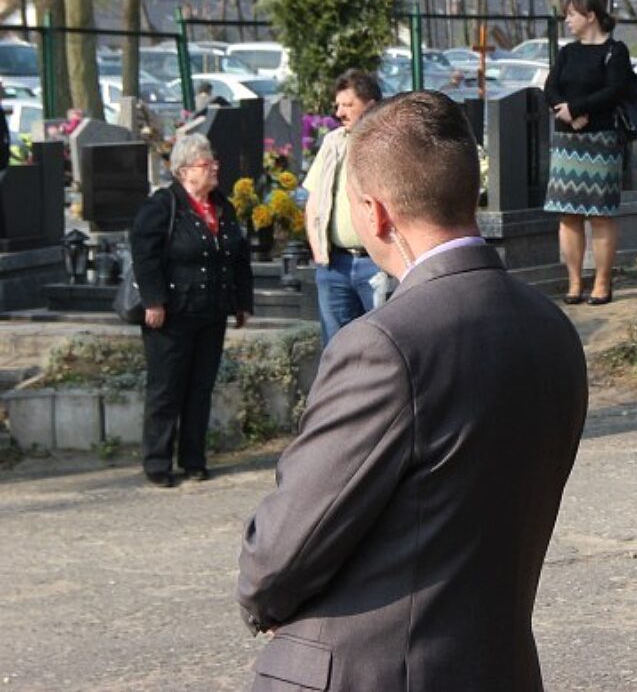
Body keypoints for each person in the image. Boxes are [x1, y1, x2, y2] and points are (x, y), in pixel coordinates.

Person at [237, 91, 588, 690]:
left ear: (374, 213)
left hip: (372, 670)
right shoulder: (552, 328)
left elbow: (280, 553)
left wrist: (264, 597)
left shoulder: (384, 345)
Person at [128, 133, 253, 488]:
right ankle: (157, 462)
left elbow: (238, 257)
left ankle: (194, 459)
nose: (214, 168)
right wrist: (153, 300)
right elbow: (144, 254)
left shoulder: (222, 207)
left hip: (212, 311)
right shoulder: (163, 205)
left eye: (214, 162)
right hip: (172, 313)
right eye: (205, 163)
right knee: (166, 388)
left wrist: (242, 302)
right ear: (184, 171)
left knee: (200, 388)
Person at [544, 0, 634, 306]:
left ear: (591, 15)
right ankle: (574, 282)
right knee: (568, 214)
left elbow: (615, 90)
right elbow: (550, 88)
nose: (567, 20)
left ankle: (602, 282)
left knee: (600, 215)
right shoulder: (568, 52)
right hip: (567, 142)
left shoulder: (615, 51)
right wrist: (567, 112)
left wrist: (579, 109)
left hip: (601, 141)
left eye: (572, 14)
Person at [303, 69, 384, 345]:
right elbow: (314, 200)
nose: (339, 113)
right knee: (337, 350)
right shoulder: (333, 142)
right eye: (337, 105)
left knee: (381, 344)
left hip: (375, 263)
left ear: (370, 106)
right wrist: (318, 249)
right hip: (334, 266)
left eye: (348, 105)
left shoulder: (388, 145)